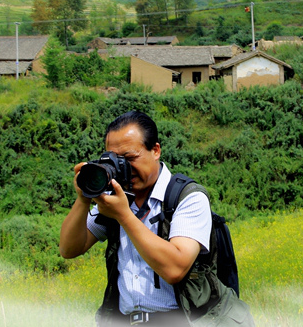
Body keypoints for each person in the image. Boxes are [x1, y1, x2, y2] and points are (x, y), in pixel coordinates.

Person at [60, 111, 254, 326]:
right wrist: (83, 197)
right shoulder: (115, 200)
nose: (123, 167)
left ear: (155, 150)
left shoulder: (187, 198)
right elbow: (69, 249)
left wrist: (124, 215)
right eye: (115, 160)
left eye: (130, 158)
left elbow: (175, 269)